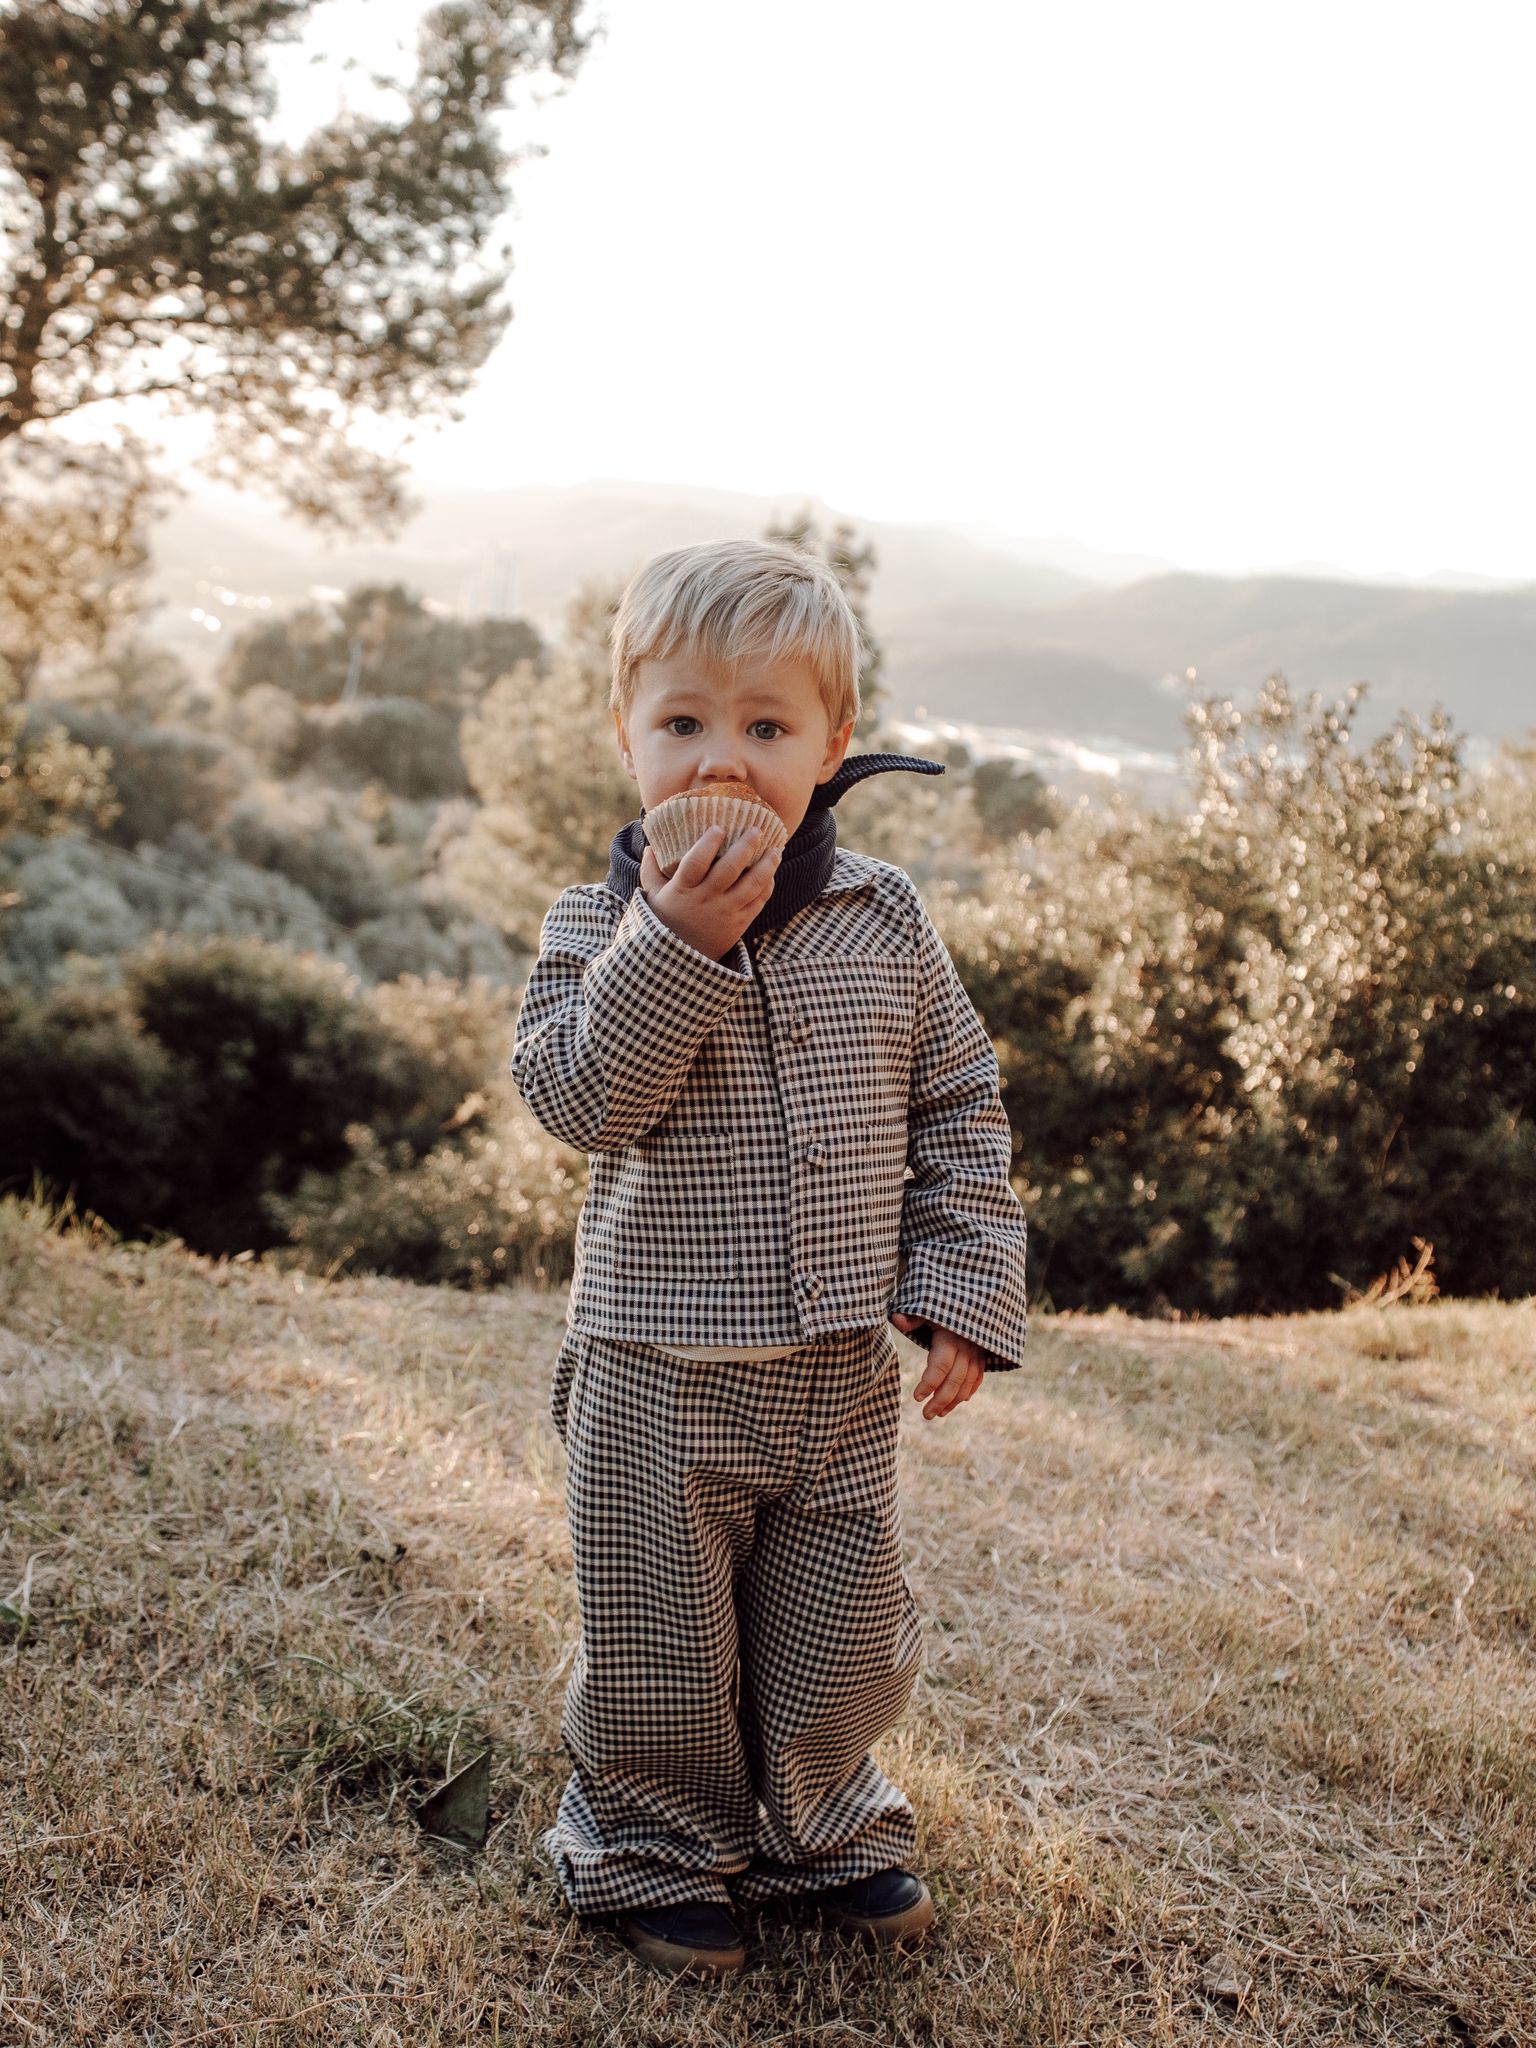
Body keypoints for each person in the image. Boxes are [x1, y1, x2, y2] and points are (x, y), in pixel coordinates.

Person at [510, 538, 1028, 1978]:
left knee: (839, 1629)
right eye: (682, 724)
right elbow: (576, 1099)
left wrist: (963, 1287)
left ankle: (821, 1827)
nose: (719, 762)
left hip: (838, 1374)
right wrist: (674, 938)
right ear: (626, 735)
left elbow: (957, 1105)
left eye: (765, 727)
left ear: (833, 745)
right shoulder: (596, 928)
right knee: (664, 1642)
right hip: (652, 1379)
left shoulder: (887, 920)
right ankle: (653, 1845)